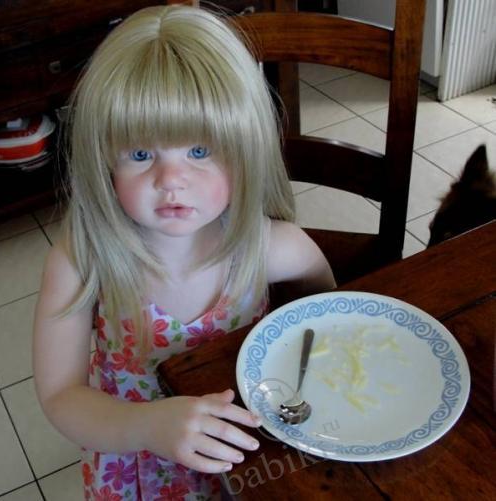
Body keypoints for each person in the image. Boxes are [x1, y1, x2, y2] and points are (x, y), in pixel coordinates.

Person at [33, 4, 335, 500]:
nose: (170, 180)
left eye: (199, 150)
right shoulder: (80, 260)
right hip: (135, 460)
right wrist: (146, 426)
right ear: (103, 159)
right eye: (140, 153)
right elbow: (60, 395)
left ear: (245, 149)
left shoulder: (272, 247)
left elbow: (322, 316)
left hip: (246, 456)